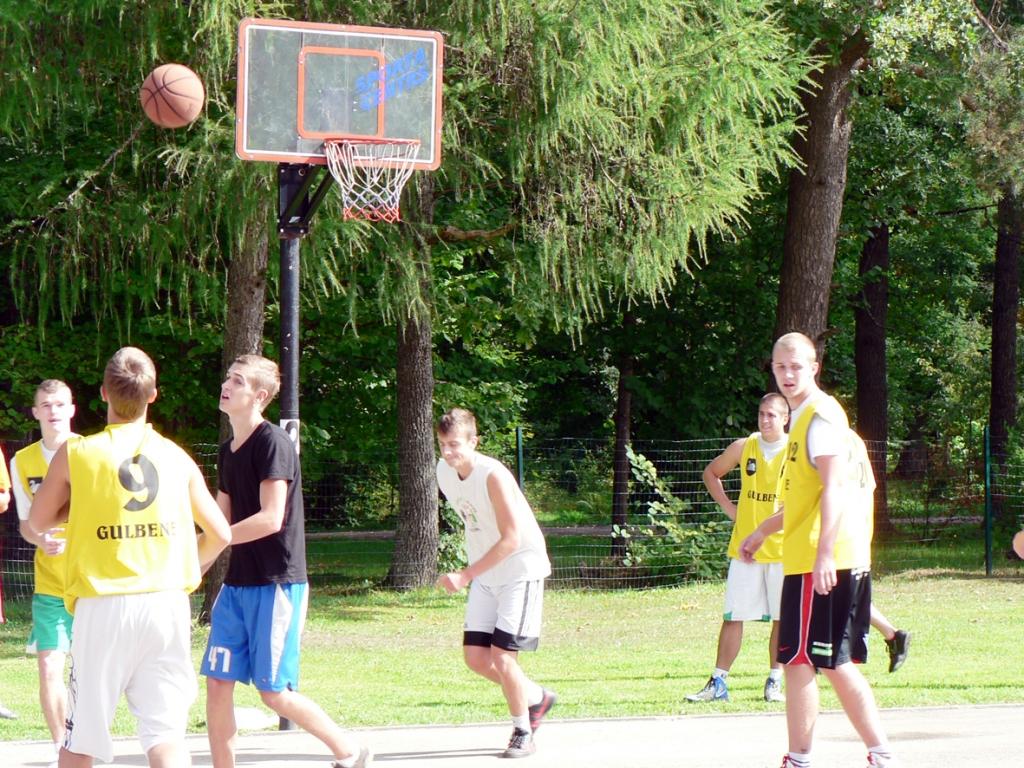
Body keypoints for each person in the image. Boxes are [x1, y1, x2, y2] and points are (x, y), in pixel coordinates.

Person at [28, 347, 232, 768]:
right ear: (153, 395)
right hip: (167, 601)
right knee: (166, 736)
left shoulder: (79, 452)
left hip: (104, 604)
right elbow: (221, 534)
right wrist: (188, 569)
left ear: (103, 393)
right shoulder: (176, 457)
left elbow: (41, 518)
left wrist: (82, 505)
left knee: (81, 737)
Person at [201, 355, 370, 768]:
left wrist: (214, 541)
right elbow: (220, 523)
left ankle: (350, 751)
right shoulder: (228, 451)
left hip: (277, 583)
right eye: (228, 377)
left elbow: (270, 518)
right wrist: (193, 564)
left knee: (273, 693)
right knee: (218, 683)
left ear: (259, 396)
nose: (227, 384)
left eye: (237, 380)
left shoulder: (272, 442)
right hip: (238, 586)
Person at [740, 332, 899, 768]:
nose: (788, 374)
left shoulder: (821, 417)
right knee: (826, 661)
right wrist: (763, 532)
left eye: (796, 366)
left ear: (815, 368)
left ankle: (803, 759)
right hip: (816, 556)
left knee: (800, 659)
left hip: (820, 560)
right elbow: (804, 498)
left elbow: (835, 488)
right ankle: (879, 753)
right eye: (780, 367)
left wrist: (825, 553)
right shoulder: (804, 418)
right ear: (772, 369)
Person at [435, 408, 558, 759]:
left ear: (474, 441)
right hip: (487, 574)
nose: (448, 452)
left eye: (455, 444)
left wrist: (465, 574)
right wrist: (475, 572)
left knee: (504, 658)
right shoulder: (444, 472)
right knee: (475, 659)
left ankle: (523, 731)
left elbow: (511, 539)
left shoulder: (493, 476)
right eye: (443, 444)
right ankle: (537, 698)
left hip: (520, 571)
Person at [686, 393, 789, 704]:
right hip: (745, 548)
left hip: (783, 549)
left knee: (782, 619)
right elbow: (711, 473)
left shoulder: (795, 452)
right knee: (733, 616)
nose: (765, 420)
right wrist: (733, 511)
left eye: (772, 415)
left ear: (785, 418)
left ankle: (775, 681)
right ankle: (718, 681)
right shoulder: (745, 446)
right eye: (761, 414)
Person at [12, 380, 78, 762]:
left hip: (90, 582)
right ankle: (61, 748)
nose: (53, 411)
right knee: (50, 666)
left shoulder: (90, 451)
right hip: (50, 583)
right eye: (45, 405)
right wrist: (41, 540)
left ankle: (87, 740)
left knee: (90, 670)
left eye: (60, 404)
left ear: (72, 409)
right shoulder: (22, 461)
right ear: (35, 412)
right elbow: (25, 522)